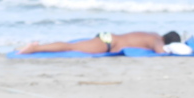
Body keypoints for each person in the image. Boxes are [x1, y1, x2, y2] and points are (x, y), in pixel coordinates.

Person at [18, 30, 183, 55]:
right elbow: (161, 52)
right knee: (71, 46)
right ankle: (35, 48)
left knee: (72, 45)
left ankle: (37, 46)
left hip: (109, 37)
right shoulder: (156, 40)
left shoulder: (152, 34)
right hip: (108, 43)